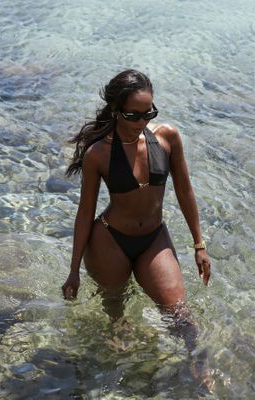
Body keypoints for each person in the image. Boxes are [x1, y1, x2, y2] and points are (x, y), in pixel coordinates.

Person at [62, 69, 211, 342]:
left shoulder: (168, 138)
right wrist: (73, 272)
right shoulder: (98, 154)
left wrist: (198, 244)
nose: (142, 121)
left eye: (149, 113)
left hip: (154, 239)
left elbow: (185, 190)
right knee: (116, 317)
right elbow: (85, 212)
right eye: (133, 115)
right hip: (109, 242)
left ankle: (199, 369)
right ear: (117, 110)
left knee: (179, 316)